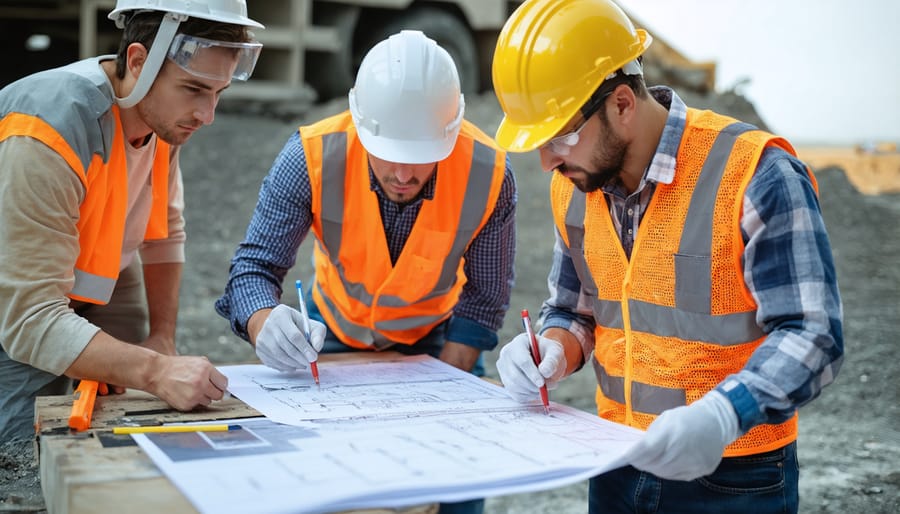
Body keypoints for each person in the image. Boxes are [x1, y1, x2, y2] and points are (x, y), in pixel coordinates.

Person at [490, 0, 844, 513]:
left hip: (734, 475)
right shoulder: (575, 187)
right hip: (615, 461)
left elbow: (814, 334)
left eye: (561, 136)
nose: (547, 161)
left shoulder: (755, 174)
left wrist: (724, 413)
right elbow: (575, 309)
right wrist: (551, 350)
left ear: (622, 105)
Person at [215, 29, 515, 514]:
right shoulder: (310, 156)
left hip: (438, 343)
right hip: (330, 334)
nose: (402, 175)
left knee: (456, 477)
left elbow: (484, 298)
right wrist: (262, 322)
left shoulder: (489, 172)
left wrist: (445, 391)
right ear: (361, 125)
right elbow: (253, 268)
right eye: (388, 155)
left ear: (451, 131)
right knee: (324, 482)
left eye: (420, 160)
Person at [0, 0, 264, 441]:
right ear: (139, 61)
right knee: (24, 444)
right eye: (194, 89)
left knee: (119, 418)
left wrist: (161, 338)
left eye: (218, 93)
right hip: (19, 307)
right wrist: (156, 371)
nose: (207, 116)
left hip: (81, 287)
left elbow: (165, 234)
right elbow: (29, 319)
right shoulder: (47, 129)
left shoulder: (161, 117)